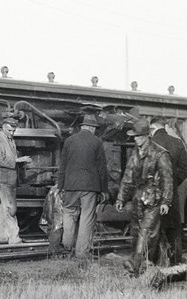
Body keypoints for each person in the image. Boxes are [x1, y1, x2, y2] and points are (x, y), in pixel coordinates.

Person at [115, 119, 173, 276]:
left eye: (139, 136)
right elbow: (128, 176)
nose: (135, 139)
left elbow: (167, 178)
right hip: (138, 197)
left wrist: (166, 201)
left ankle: (138, 268)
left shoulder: (160, 153)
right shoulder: (135, 153)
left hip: (153, 199)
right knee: (137, 232)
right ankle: (156, 262)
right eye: (134, 136)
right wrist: (121, 198)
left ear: (147, 136)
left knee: (146, 232)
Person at [58, 115, 109, 259]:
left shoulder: (69, 141)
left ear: (82, 126)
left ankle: (67, 247)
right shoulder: (97, 142)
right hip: (89, 187)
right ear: (92, 128)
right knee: (87, 217)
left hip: (70, 185)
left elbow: (62, 166)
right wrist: (104, 190)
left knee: (68, 213)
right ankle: (81, 252)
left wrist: (60, 186)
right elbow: (102, 169)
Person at [149, 116, 187, 264]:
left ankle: (154, 261)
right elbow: (186, 168)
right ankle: (175, 260)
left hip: (152, 193)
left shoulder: (150, 144)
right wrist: (172, 183)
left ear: (152, 128)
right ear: (164, 127)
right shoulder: (177, 142)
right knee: (174, 226)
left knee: (152, 227)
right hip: (171, 193)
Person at [0, 116, 32, 244]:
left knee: (5, 206)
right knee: (10, 208)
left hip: (9, 178)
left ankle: (0, 236)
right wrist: (18, 160)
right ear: (3, 127)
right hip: (3, 178)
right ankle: (14, 238)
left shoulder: (9, 138)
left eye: (14, 131)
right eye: (10, 130)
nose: (12, 133)